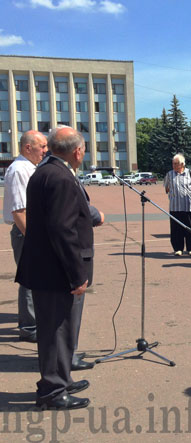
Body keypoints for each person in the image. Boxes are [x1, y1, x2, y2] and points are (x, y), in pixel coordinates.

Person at [15, 127, 94, 410]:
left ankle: (62, 379)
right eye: (83, 149)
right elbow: (62, 230)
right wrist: (77, 273)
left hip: (48, 267)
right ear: (77, 151)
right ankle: (52, 391)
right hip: (56, 270)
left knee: (61, 330)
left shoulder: (46, 171)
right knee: (55, 332)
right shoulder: (59, 177)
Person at [3, 130, 48, 343]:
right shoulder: (19, 170)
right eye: (42, 146)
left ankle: (35, 322)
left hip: (32, 231)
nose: (45, 151)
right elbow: (19, 211)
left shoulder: (30, 167)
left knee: (37, 277)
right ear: (28, 147)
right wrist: (33, 240)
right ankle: (29, 328)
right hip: (26, 232)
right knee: (30, 279)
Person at [164, 153, 191, 256]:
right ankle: (178, 249)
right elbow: (167, 188)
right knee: (176, 229)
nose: (173, 165)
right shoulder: (170, 174)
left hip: (188, 206)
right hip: (175, 207)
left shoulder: (190, 173)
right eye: (173, 163)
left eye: (176, 163)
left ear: (182, 164)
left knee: (189, 228)